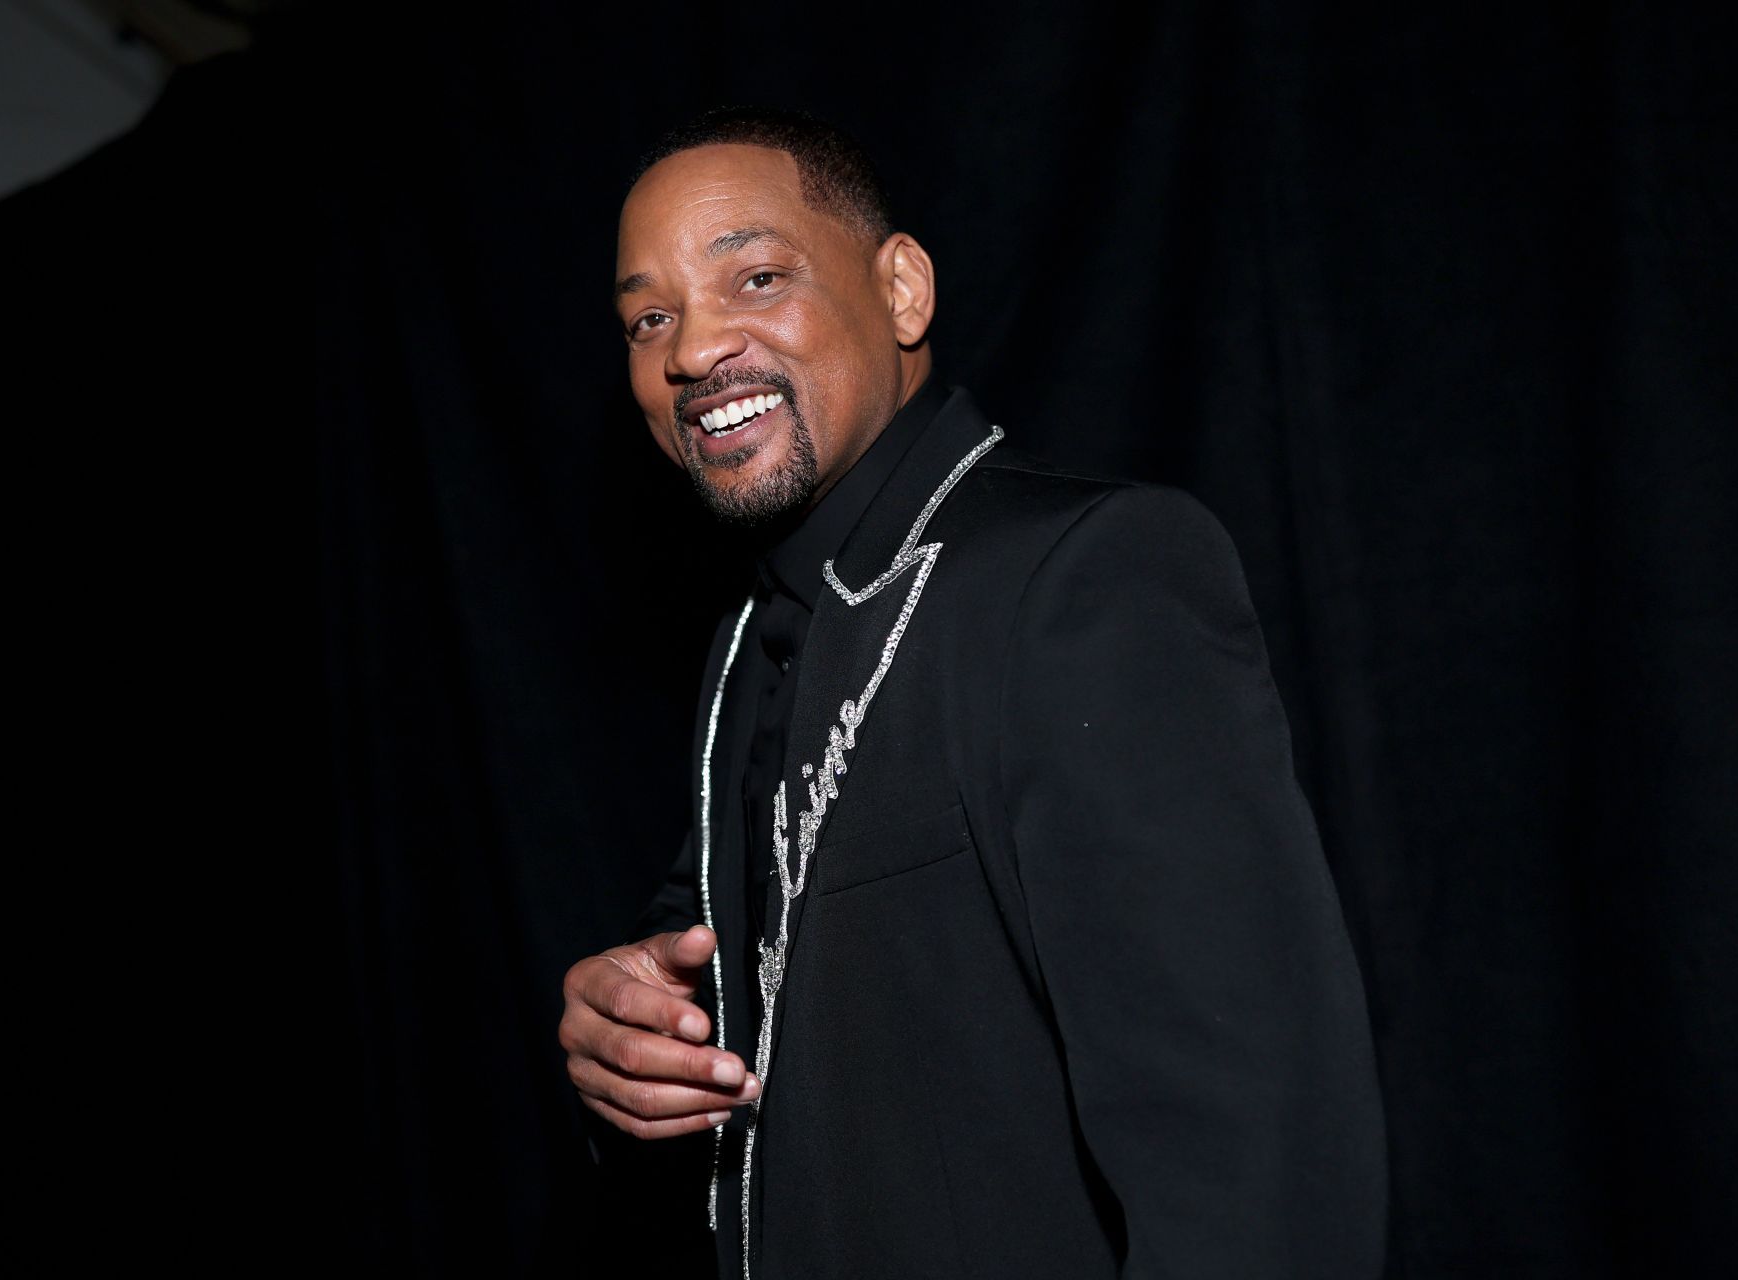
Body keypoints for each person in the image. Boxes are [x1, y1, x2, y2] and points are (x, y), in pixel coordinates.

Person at [559, 107, 1387, 1280]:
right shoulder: (753, 642)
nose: (694, 349)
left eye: (755, 275)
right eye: (651, 316)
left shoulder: (1085, 575)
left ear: (901, 290)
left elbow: (1254, 1144)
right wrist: (628, 1021)